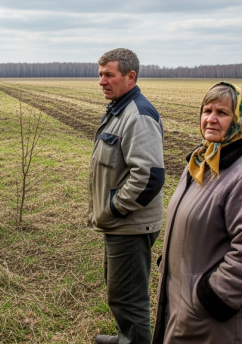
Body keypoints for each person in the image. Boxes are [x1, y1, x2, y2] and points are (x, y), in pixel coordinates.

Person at [152, 82, 242, 344]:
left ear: (240, 120)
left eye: (222, 113)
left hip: (214, 323)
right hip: (183, 305)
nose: (211, 119)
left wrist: (209, 298)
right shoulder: (203, 161)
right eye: (206, 110)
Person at [89, 48, 166, 344]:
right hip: (120, 223)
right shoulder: (119, 109)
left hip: (130, 224)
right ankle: (126, 337)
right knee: (119, 291)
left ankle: (133, 340)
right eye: (100, 75)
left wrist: (114, 208)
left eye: (109, 75)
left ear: (130, 77)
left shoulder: (138, 115)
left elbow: (149, 177)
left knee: (130, 299)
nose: (102, 81)